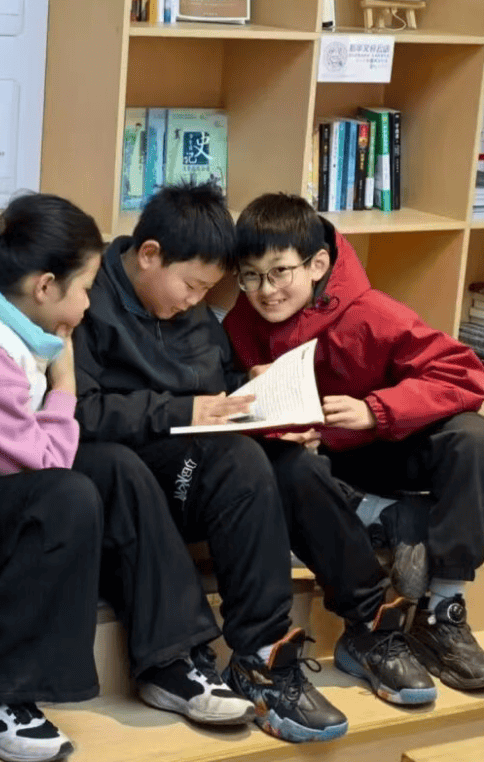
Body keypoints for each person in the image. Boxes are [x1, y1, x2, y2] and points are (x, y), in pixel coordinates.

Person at [0, 192, 258, 762]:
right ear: (44, 287)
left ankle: (169, 660)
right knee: (69, 494)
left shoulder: (13, 333)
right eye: (84, 288)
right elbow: (48, 466)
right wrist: (65, 383)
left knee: (117, 468)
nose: (87, 305)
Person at [72, 182, 349, 744]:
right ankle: (252, 654)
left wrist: (254, 391)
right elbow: (76, 411)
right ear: (149, 255)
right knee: (236, 463)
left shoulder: (190, 309)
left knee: (273, 460)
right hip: (119, 466)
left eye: (207, 289)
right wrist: (180, 409)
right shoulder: (85, 298)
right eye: (192, 285)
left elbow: (216, 384)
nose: (196, 300)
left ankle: (264, 655)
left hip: (191, 461)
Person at [223, 192, 484, 694]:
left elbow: (464, 375)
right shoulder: (238, 327)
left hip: (379, 447)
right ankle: (384, 520)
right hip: (311, 471)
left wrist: (376, 411)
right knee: (284, 468)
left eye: (280, 272)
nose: (266, 291)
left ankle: (442, 611)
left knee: (473, 438)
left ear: (317, 264)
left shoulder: (372, 313)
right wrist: (256, 399)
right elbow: (218, 411)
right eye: (250, 276)